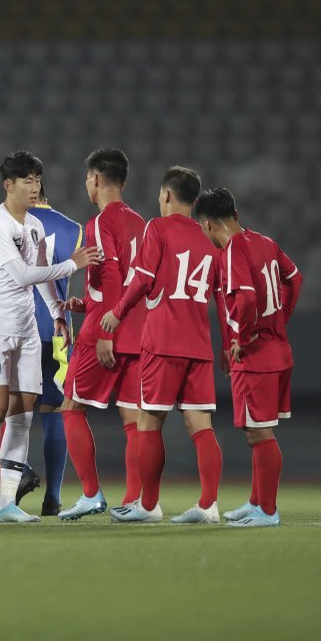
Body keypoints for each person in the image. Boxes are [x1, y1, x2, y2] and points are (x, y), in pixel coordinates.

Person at [0, 150, 100, 523]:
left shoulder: (35, 227)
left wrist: (57, 312)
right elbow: (22, 274)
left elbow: (40, 278)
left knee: (23, 414)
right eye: (27, 180)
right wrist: (76, 262)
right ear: (8, 185)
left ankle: (6, 503)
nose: (34, 187)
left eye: (37, 180)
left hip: (25, 330)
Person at [102, 166, 223, 524]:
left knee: (149, 422)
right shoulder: (209, 239)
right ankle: (209, 505)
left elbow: (143, 278)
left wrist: (117, 312)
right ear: (196, 200)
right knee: (201, 426)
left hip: (163, 340)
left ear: (167, 195)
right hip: (199, 344)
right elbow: (220, 295)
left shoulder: (158, 227)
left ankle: (149, 505)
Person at [195, 187, 302, 527]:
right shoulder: (265, 242)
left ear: (208, 224)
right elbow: (294, 278)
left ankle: (268, 511)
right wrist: (279, 320)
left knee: (260, 434)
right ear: (236, 217)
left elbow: (246, 300)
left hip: (257, 357)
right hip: (278, 351)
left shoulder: (232, 250)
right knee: (259, 431)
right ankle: (256, 502)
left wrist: (243, 337)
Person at [56, 148, 147, 521]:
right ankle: (135, 499)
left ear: (95, 180)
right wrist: (88, 302)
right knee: (133, 418)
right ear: (122, 182)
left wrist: (106, 323)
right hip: (138, 330)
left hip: (104, 332)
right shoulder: (142, 223)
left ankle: (92, 494)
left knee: (71, 409)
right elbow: (136, 280)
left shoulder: (99, 223)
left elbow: (110, 275)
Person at [0, 177, 83, 517]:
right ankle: (53, 497)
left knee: (5, 408)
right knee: (54, 411)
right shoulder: (74, 229)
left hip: (15, 325)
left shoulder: (11, 223)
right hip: (56, 332)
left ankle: (4, 488)